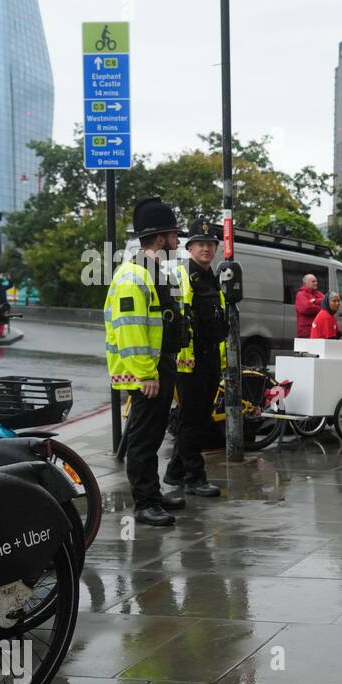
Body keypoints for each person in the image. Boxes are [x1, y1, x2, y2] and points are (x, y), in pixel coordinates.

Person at [105, 197, 190, 527]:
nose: (178, 242)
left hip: (159, 367)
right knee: (142, 440)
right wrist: (146, 375)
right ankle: (144, 504)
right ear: (159, 238)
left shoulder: (152, 272)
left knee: (153, 437)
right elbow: (130, 331)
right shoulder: (132, 277)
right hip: (144, 374)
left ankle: (153, 494)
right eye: (174, 236)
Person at [164, 218, 226, 498]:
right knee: (192, 419)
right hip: (189, 360)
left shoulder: (212, 277)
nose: (206, 248)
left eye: (211, 244)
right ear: (189, 247)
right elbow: (177, 321)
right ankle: (194, 476)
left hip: (209, 356)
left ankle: (175, 471)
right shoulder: (182, 276)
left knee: (200, 418)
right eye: (200, 244)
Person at [294, 274, 323, 338]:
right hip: (306, 332)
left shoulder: (319, 294)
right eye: (313, 281)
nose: (316, 283)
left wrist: (314, 302)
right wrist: (321, 308)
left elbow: (327, 305)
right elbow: (306, 308)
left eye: (316, 281)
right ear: (306, 283)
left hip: (317, 331)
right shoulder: (300, 295)